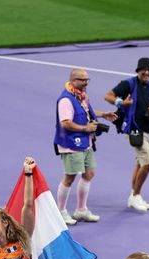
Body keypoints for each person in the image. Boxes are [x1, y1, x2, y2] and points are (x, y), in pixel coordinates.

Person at [54, 68, 117, 225]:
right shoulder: (65, 100)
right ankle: (60, 212)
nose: (86, 83)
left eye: (87, 80)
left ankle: (81, 210)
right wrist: (85, 128)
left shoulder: (81, 96)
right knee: (70, 177)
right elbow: (66, 122)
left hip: (85, 142)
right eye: (83, 80)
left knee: (89, 174)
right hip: (71, 143)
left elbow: (86, 111)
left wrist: (103, 114)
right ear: (74, 80)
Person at [104, 57, 149, 213]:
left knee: (140, 163)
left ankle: (134, 195)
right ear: (138, 71)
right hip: (133, 130)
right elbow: (108, 96)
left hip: (148, 129)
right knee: (148, 162)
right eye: (144, 69)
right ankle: (136, 195)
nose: (147, 72)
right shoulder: (128, 84)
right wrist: (121, 103)